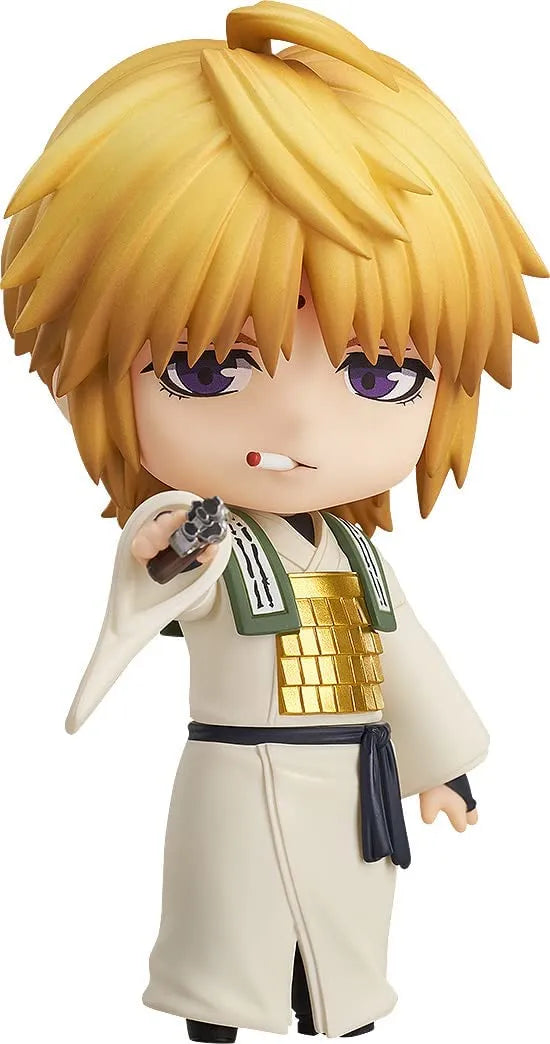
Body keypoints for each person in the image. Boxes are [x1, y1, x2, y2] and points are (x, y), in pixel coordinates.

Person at [2, 2, 546, 1039]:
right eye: (208, 367)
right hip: (237, 766)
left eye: (380, 373)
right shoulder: (203, 530)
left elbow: (404, 653)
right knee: (226, 924)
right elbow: (164, 573)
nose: (298, 424)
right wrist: (171, 551)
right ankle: (217, 1018)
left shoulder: (354, 555)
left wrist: (441, 763)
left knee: (345, 935)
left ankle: (334, 1009)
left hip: (351, 771)